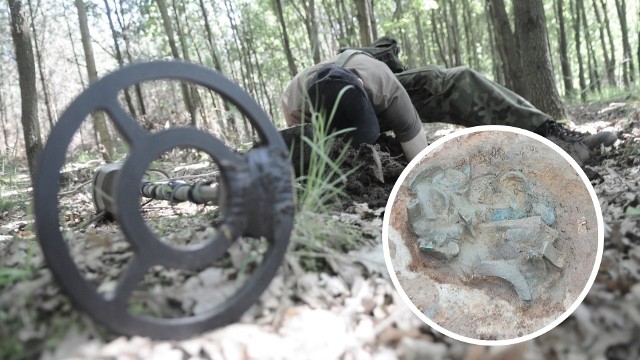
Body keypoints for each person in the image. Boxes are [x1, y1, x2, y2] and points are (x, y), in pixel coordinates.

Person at [280, 37, 616, 164]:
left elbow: (420, 160)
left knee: (456, 80)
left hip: (369, 87)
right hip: (329, 112)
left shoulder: (387, 90)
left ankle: (552, 135)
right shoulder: (293, 103)